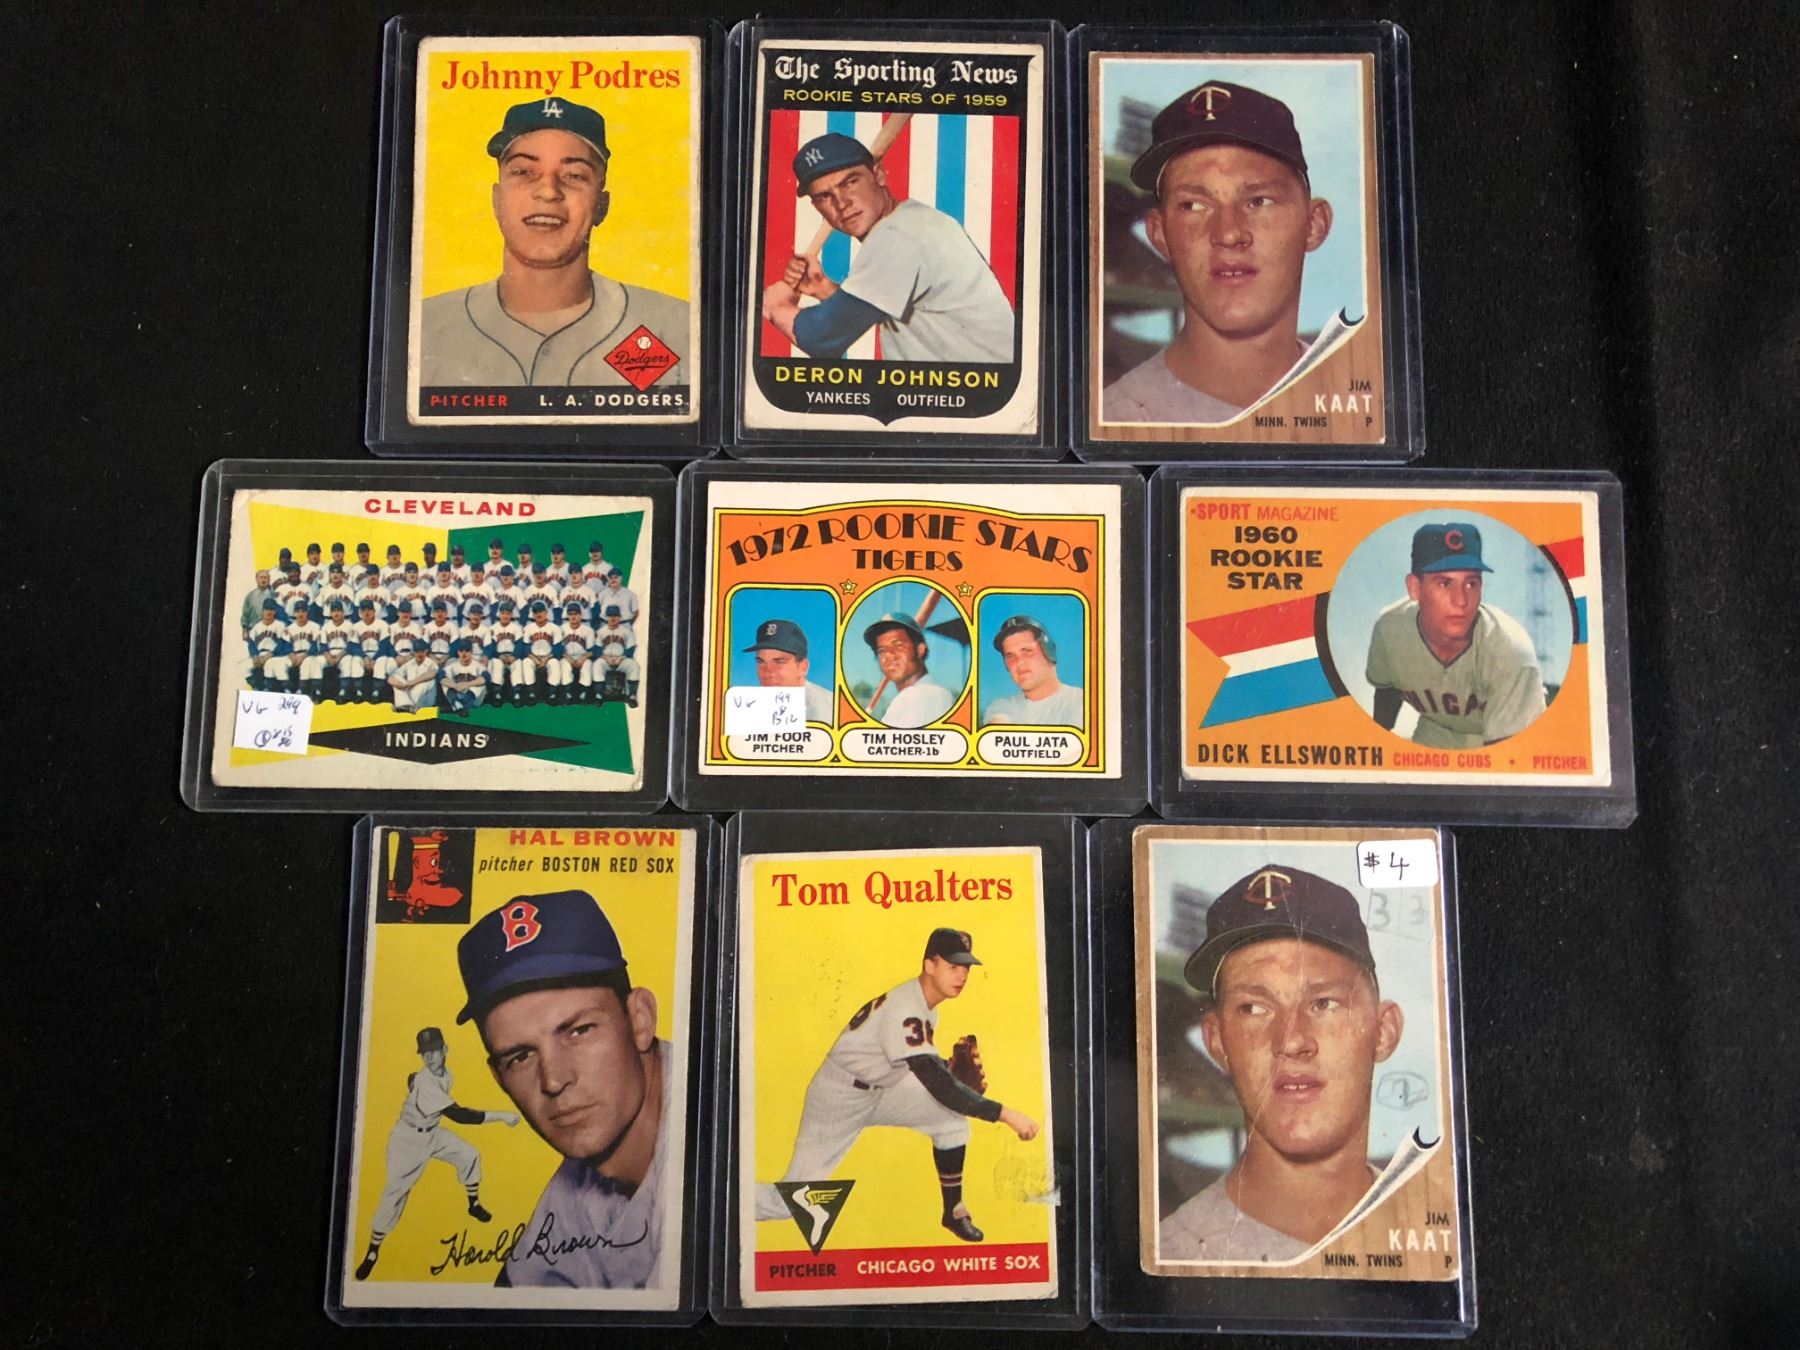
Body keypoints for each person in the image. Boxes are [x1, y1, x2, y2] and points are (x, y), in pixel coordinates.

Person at [1160, 865, 1403, 1262]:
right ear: (1217, 1042)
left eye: (1324, 1003)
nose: (1291, 1040)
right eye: (1254, 1008)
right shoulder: (1172, 1254)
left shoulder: (1439, 1234)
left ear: (1384, 1031)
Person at [753, 928, 1039, 1244]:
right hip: (838, 1096)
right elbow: (939, 1085)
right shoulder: (906, 1008)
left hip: (885, 1087)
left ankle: (954, 1211)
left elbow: (920, 1068)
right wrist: (1006, 1114)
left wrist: (948, 1073)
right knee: (791, 1202)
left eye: (966, 968)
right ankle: (734, 1198)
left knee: (950, 1121)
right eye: (952, 966)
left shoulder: (925, 1004)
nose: (962, 976)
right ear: (929, 965)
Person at [456, 889, 675, 1289]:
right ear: (499, 1079)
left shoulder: (731, 1135)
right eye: (520, 1056)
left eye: (578, 1031)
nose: (554, 1081)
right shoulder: (580, 1189)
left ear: (640, 1020)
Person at [1102, 81, 1347, 424]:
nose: (1229, 233)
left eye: (1258, 201)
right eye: (1193, 205)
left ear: (1314, 224)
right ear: (1159, 235)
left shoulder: (1362, 411)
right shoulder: (1116, 420)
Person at [418, 98, 690, 390]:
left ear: (602, 205)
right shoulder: (424, 328)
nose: (548, 192)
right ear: (497, 200)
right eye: (523, 172)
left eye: (574, 175)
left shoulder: (672, 326)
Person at [762, 132, 1014, 363]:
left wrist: (775, 306)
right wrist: (823, 287)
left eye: (850, 182)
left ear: (879, 175)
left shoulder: (898, 236)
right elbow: (874, 311)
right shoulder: (912, 220)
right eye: (824, 196)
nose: (842, 203)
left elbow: (821, 338)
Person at [352, 1026, 520, 1281]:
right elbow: (462, 1116)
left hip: (432, 1132)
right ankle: (373, 1251)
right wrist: (502, 1116)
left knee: (469, 1154)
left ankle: (473, 1204)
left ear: (445, 1050)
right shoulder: (426, 1083)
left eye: (433, 1051)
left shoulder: (443, 1074)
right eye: (425, 1053)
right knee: (395, 1194)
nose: (429, 1057)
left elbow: (413, 1079)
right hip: (408, 1141)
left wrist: (411, 1081)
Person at [1364, 522, 1547, 747]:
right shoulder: (1390, 629)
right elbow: (1387, 694)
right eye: (1444, 583)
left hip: (1508, 735)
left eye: (1471, 584)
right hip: (1437, 729)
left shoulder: (1509, 649)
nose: (1460, 600)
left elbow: (1508, 756)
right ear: (1415, 588)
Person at [981, 614, 1084, 727]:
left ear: (1049, 651)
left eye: (1027, 651)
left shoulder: (1082, 701)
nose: (1019, 662)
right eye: (1010, 656)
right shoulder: (1002, 706)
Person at [862, 613, 955, 728]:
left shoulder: (929, 695)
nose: (889, 655)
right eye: (882, 650)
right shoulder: (908, 697)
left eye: (898, 645)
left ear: (920, 650)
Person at [744, 617, 834, 724]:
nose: (768, 673)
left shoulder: (830, 710)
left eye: (779, 662)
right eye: (761, 662)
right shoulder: (750, 707)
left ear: (803, 667)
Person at [440, 640, 489, 717]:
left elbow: (486, 677)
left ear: (471, 652)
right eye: (461, 651)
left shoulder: (477, 665)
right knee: (445, 683)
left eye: (467, 651)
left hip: (474, 700)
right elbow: (441, 677)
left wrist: (467, 684)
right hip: (458, 693)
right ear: (457, 652)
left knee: (481, 684)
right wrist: (455, 685)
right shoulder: (453, 666)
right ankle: (458, 705)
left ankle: (457, 706)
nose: (464, 654)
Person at [388, 644, 440, 714]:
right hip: (411, 693)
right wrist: (400, 684)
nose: (419, 654)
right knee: (397, 679)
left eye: (422, 651)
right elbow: (392, 677)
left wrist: (411, 683)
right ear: (413, 652)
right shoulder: (410, 663)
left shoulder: (430, 662)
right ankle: (405, 706)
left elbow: (432, 673)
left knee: (429, 682)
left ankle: (410, 706)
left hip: (425, 698)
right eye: (417, 651)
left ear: (426, 652)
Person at [240, 569, 276, 639]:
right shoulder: (250, 596)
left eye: (265, 578)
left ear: (269, 580)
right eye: (261, 577)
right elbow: (245, 615)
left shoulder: (273, 595)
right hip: (253, 631)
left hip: (270, 632)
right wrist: (245, 630)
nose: (263, 580)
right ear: (256, 579)